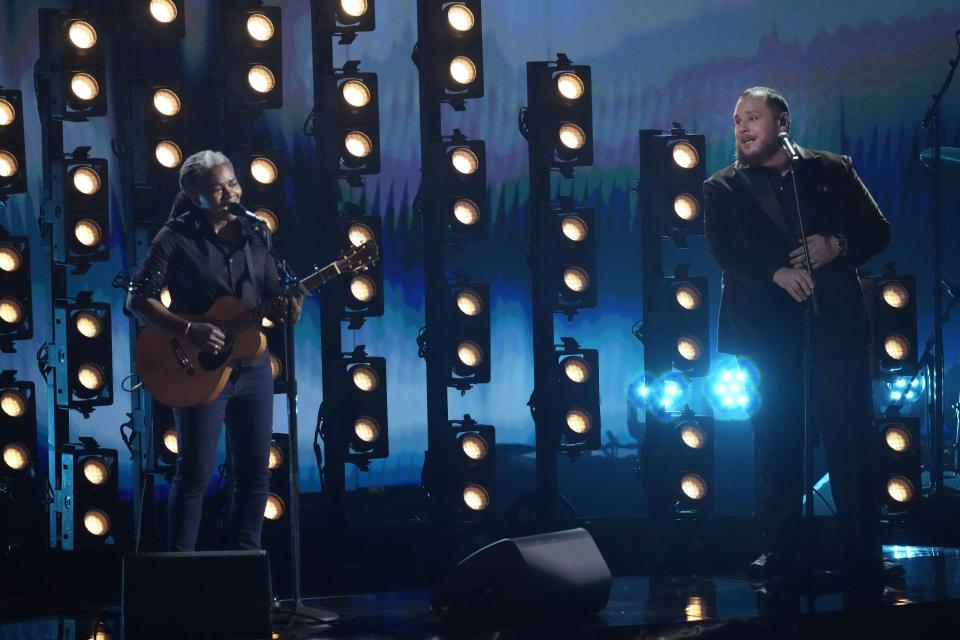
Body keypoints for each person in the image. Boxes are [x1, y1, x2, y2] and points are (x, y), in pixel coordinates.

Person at [703, 87, 894, 582]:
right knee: (778, 441)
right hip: (770, 334)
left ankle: (862, 556)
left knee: (850, 443)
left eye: (752, 118)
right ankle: (781, 553)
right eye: (737, 120)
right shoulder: (722, 187)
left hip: (834, 329)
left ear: (781, 122)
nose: (742, 128)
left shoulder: (831, 170)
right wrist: (775, 273)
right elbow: (726, 250)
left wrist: (837, 245)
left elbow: (878, 230)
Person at [126, 150, 302, 551]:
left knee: (256, 474)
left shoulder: (257, 232)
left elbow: (276, 292)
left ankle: (246, 569)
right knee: (193, 475)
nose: (230, 194)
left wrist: (292, 305)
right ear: (194, 196)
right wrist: (191, 329)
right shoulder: (175, 236)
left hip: (253, 368)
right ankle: (181, 574)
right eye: (217, 188)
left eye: (233, 183)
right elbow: (138, 301)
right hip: (198, 368)